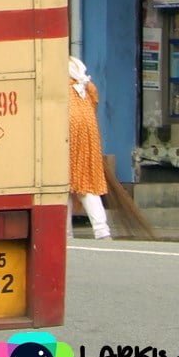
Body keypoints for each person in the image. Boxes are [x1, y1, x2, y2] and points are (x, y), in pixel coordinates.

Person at [68, 55, 111, 241]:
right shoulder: (84, 87)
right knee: (87, 183)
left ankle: (66, 234)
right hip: (89, 132)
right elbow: (95, 101)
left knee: (63, 184)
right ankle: (102, 230)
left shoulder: (61, 84)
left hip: (68, 130)